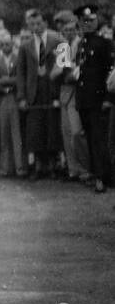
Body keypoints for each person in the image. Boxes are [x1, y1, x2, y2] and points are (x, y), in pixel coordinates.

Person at [16, 7, 63, 179]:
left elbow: (63, 67)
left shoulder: (57, 40)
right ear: (29, 26)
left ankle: (52, 166)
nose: (36, 26)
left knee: (51, 129)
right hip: (33, 92)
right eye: (32, 24)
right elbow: (20, 73)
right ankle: (36, 166)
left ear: (45, 23)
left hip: (51, 90)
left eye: (39, 23)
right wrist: (21, 97)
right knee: (34, 130)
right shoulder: (25, 46)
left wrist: (57, 93)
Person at [73, 5, 113, 193]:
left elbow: (109, 73)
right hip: (84, 99)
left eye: (91, 21)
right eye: (84, 21)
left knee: (99, 139)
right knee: (90, 138)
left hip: (98, 100)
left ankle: (102, 177)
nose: (87, 24)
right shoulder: (81, 44)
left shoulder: (104, 43)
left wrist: (107, 98)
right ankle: (97, 173)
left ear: (97, 22)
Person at [49, 12, 90, 182]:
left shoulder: (83, 43)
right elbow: (54, 74)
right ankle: (73, 171)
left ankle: (86, 170)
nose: (66, 32)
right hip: (65, 93)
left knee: (77, 132)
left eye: (69, 28)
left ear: (76, 26)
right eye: (63, 29)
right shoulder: (63, 47)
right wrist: (69, 67)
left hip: (78, 93)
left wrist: (68, 67)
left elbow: (80, 71)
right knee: (67, 134)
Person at [0, 30, 26, 178]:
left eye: (8, 44)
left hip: (15, 98)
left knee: (16, 134)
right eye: (3, 44)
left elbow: (20, 78)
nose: (6, 46)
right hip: (2, 99)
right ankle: (5, 168)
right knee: (3, 134)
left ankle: (20, 167)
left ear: (12, 44)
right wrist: (2, 85)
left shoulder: (18, 59)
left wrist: (4, 80)